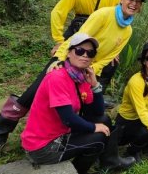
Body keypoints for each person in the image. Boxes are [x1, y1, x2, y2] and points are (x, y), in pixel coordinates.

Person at [0, 0, 146, 152]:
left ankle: (77, 137)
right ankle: (1, 132)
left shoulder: (127, 30)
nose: (134, 4)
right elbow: (79, 37)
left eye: (138, 2)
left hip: (87, 66)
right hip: (69, 57)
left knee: (82, 101)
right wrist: (61, 60)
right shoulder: (104, 14)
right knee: (32, 93)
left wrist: (89, 70)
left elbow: (109, 57)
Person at [20, 33, 134, 173]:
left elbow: (97, 112)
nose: (85, 55)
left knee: (103, 119)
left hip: (61, 132)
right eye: (80, 50)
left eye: (90, 52)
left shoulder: (80, 77)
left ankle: (109, 161)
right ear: (69, 53)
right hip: (43, 146)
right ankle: (78, 170)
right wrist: (93, 128)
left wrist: (95, 85)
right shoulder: (57, 77)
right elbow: (68, 119)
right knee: (99, 137)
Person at [50, 0, 121, 97]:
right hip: (80, 27)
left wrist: (115, 49)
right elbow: (58, 12)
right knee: (60, 57)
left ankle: (96, 93)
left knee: (111, 63)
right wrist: (59, 41)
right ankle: (62, 90)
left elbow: (117, 20)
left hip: (102, 30)